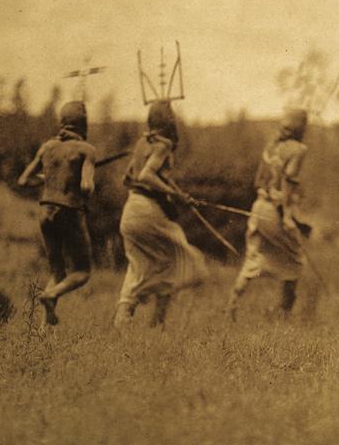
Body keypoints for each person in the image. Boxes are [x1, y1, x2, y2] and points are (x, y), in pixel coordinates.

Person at [113, 100, 208, 328]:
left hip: (130, 211)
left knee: (139, 266)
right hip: (148, 212)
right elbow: (146, 175)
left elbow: (128, 178)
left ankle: (125, 321)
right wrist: (172, 194)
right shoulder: (164, 145)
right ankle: (155, 322)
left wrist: (179, 193)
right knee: (181, 262)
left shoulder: (141, 144)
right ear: (169, 121)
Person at [226, 107, 311, 320]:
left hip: (259, 207)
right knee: (295, 260)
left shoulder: (271, 147)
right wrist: (288, 216)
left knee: (254, 256)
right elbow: (289, 180)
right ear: (301, 127)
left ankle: (231, 307)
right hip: (275, 211)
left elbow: (258, 182)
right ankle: (284, 314)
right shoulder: (299, 150)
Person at [18, 101, 97, 328]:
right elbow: (86, 187)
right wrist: (85, 179)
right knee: (82, 272)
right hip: (69, 212)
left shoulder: (47, 147)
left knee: (57, 271)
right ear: (83, 124)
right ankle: (51, 294)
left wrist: (49, 178)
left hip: (45, 212)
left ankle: (43, 330)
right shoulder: (87, 150)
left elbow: (23, 180)